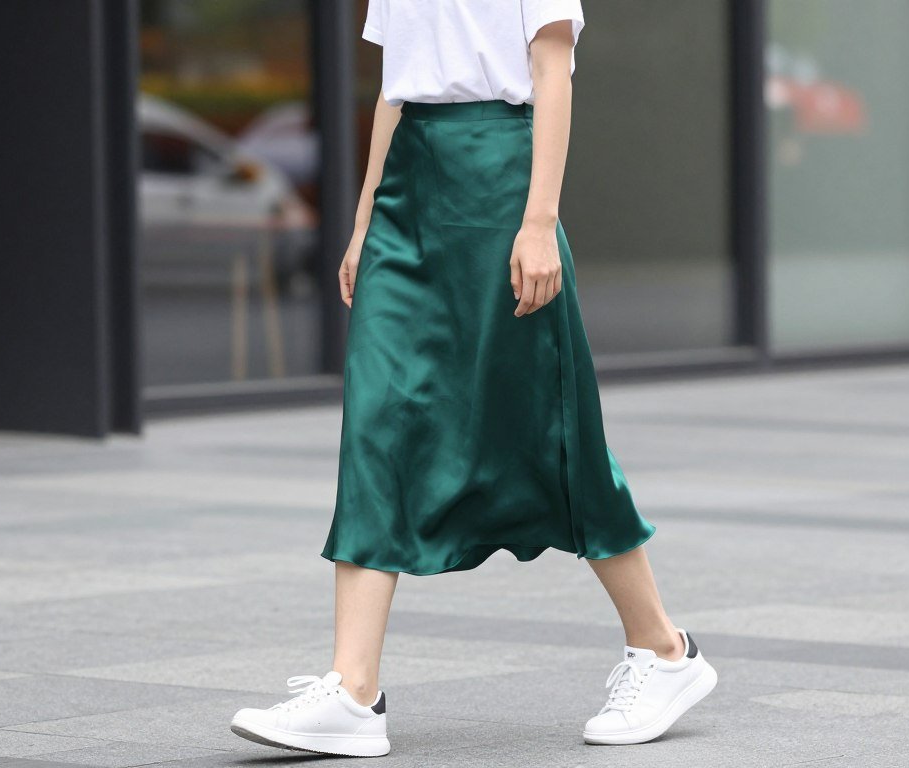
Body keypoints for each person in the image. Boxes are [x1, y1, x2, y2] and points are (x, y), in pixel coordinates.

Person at [230, 0, 717, 756]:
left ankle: (662, 651)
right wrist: (364, 222)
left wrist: (538, 222)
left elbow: (552, 71)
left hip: (500, 185)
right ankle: (353, 691)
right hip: (407, 194)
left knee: (552, 432)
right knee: (376, 418)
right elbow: (397, 93)